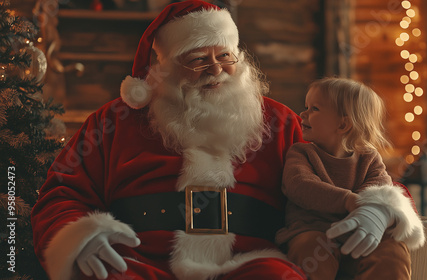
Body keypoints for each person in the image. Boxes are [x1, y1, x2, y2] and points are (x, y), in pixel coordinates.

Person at [31, 1, 307, 279]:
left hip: (248, 265)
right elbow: (62, 194)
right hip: (140, 264)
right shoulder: (113, 122)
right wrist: (80, 238)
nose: (215, 69)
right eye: (198, 59)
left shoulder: (280, 121)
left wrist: (352, 204)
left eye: (225, 55)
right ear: (168, 67)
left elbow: (322, 184)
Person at [275, 77, 426, 280]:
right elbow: (299, 186)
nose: (303, 114)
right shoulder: (301, 153)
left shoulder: (369, 157)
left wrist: (368, 209)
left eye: (314, 109)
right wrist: (347, 200)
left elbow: (379, 190)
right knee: (310, 249)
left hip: (359, 231)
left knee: (393, 251)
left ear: (343, 124)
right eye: (306, 107)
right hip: (311, 229)